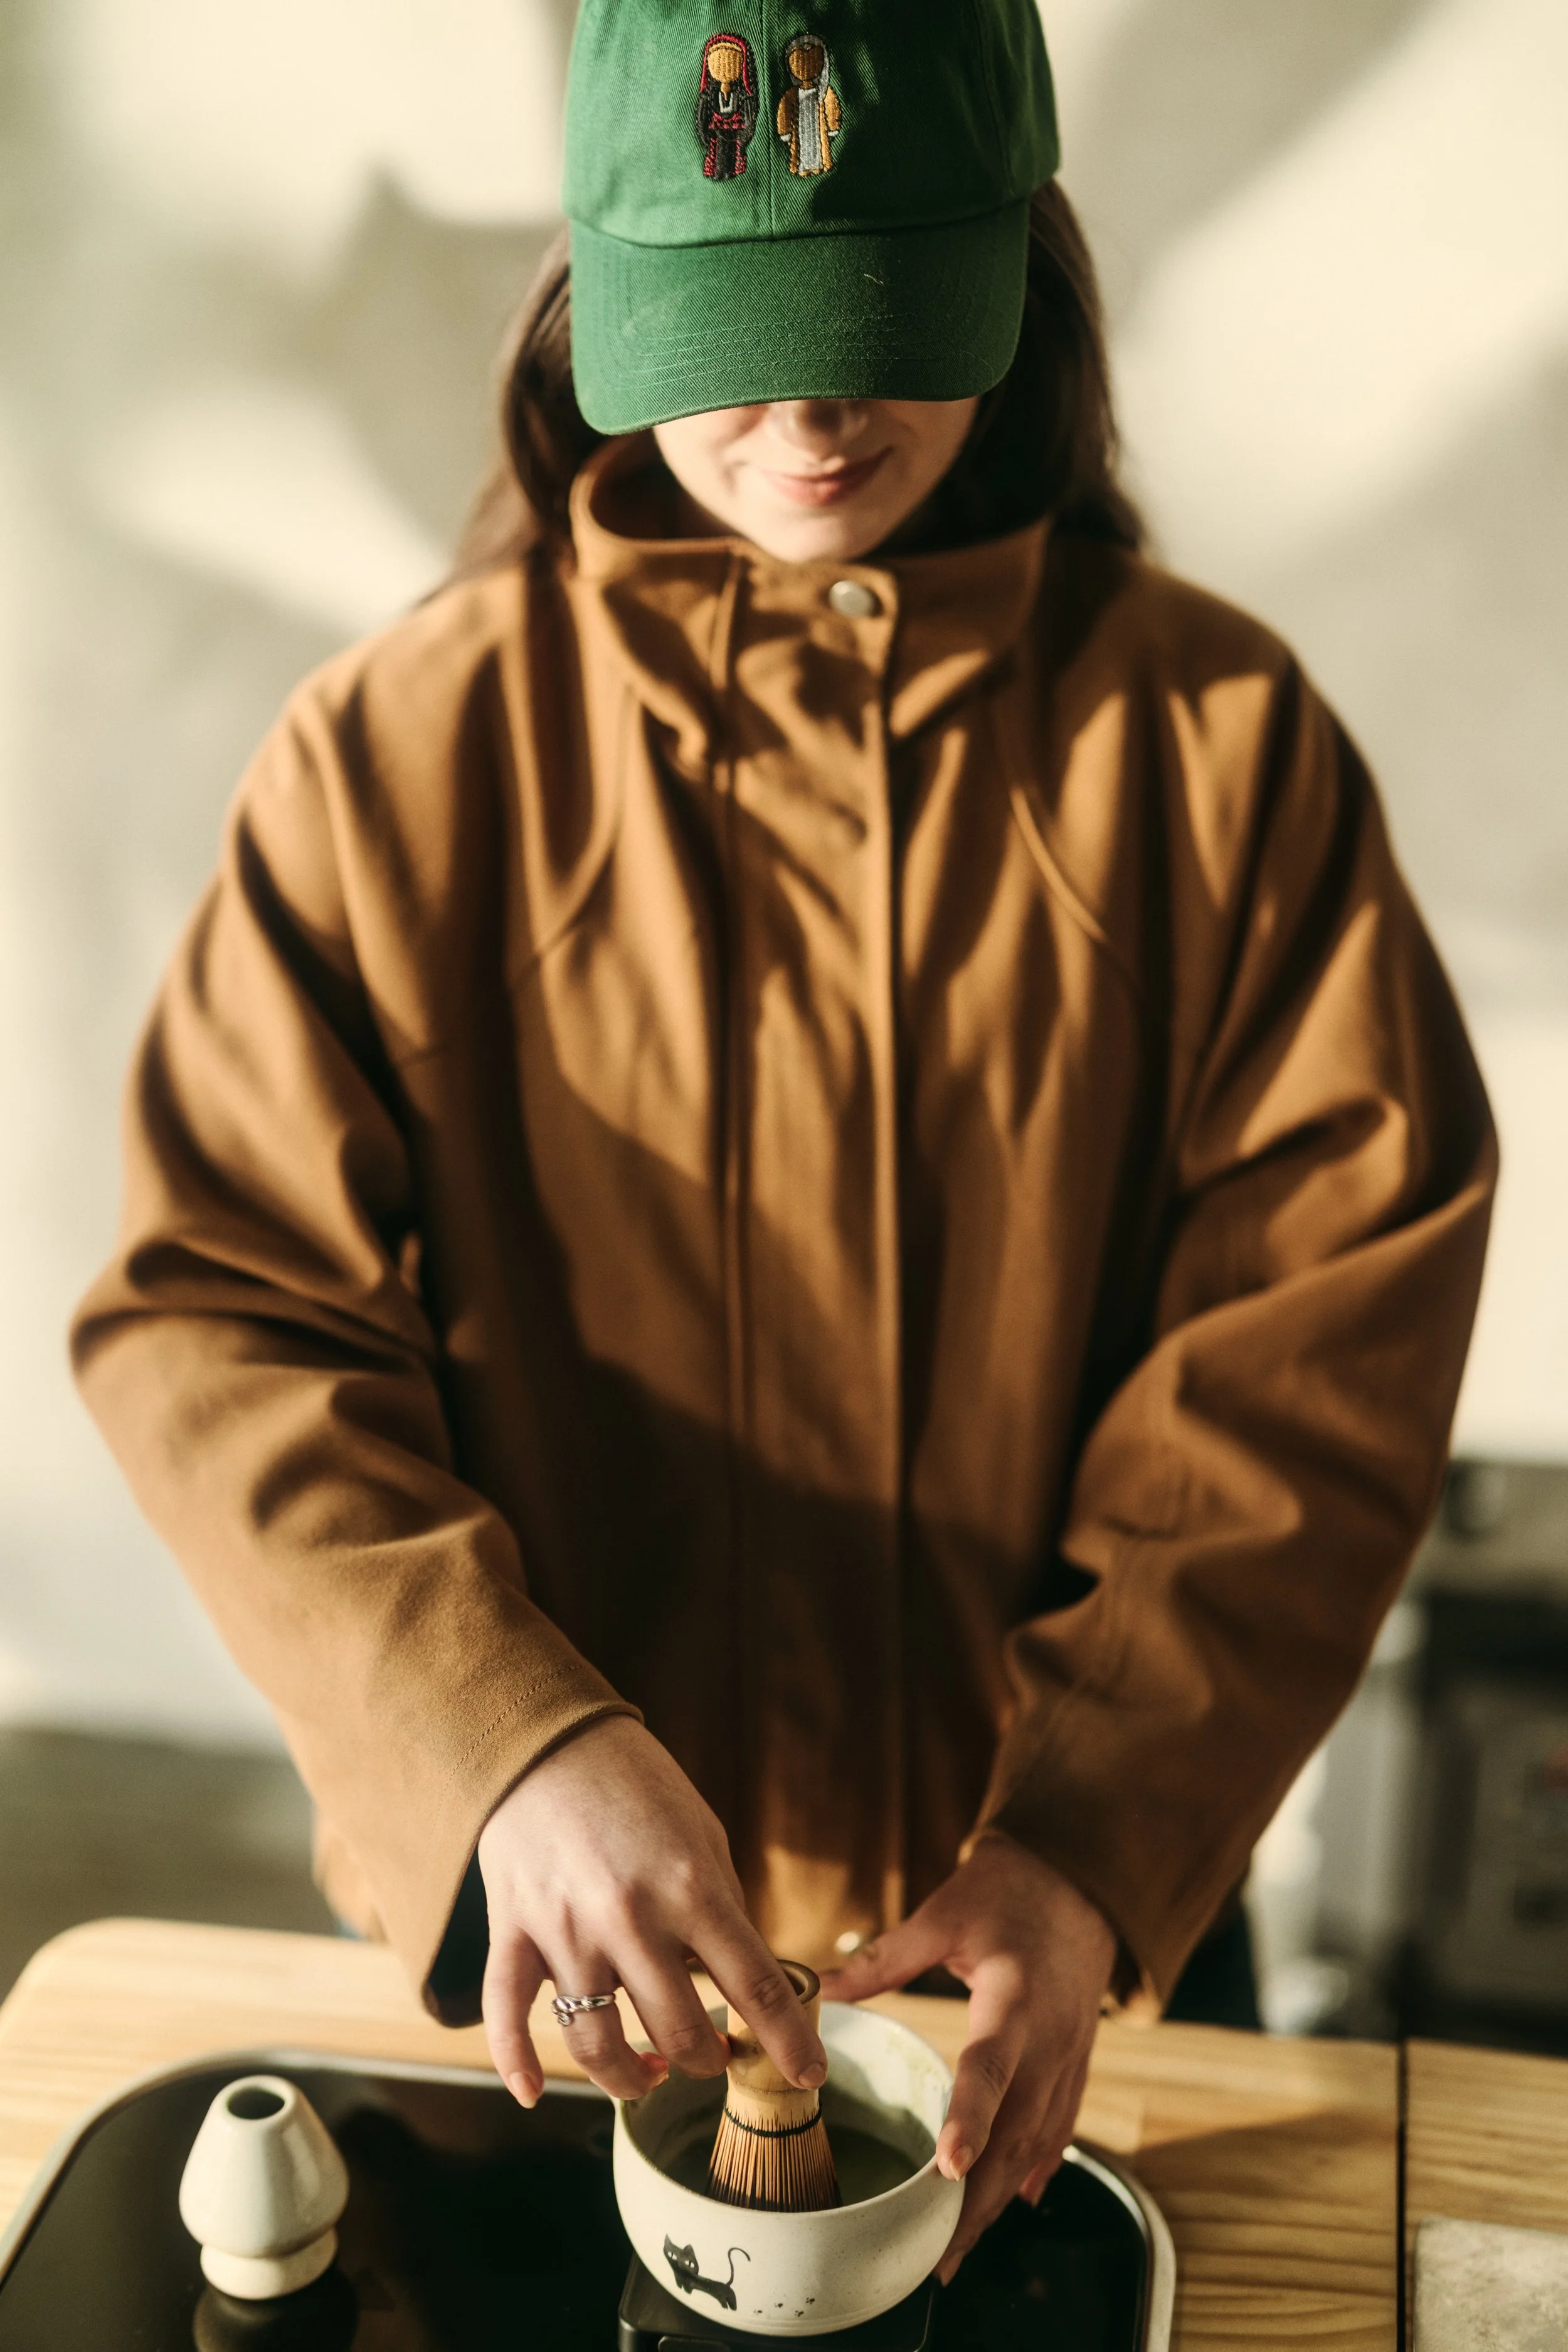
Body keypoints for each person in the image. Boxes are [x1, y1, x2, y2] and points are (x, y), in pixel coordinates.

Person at [72, 0, 1494, 2284]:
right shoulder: (400, 763)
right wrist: (499, 1744)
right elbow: (216, 1317)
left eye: (880, 329)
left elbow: (1321, 1330)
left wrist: (1097, 1825)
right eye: (736, 340)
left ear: (1024, 279)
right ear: (591, 297)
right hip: (536, 1949)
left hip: (1053, 1948)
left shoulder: (1219, 756)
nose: (813, 421)